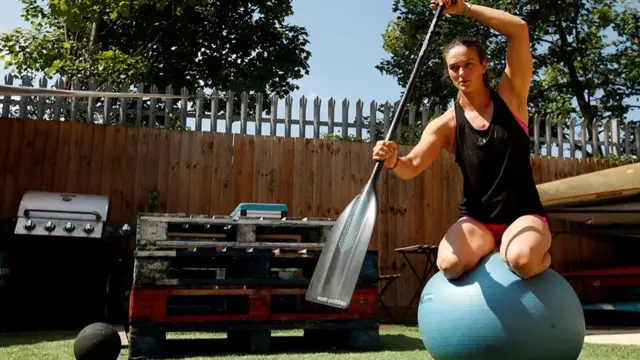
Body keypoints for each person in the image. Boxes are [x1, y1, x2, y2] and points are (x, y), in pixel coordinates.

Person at [372, 0, 551, 280]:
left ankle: (537, 257)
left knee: (522, 261)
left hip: (523, 214)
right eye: (454, 67)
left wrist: (464, 8)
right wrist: (394, 160)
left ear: (483, 66)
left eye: (468, 64)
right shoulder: (445, 125)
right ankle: (493, 247)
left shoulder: (511, 97)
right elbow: (412, 166)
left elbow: (519, 29)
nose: (461, 72)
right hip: (477, 220)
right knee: (450, 265)